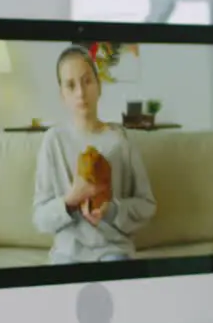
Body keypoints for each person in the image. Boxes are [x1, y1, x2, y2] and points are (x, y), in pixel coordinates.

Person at [32, 45, 157, 263]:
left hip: (113, 248)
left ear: (98, 86)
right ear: (62, 94)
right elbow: (40, 218)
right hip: (67, 252)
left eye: (87, 81)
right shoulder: (53, 141)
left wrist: (113, 210)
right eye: (70, 85)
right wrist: (71, 200)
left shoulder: (121, 140)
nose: (80, 92)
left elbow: (147, 205)